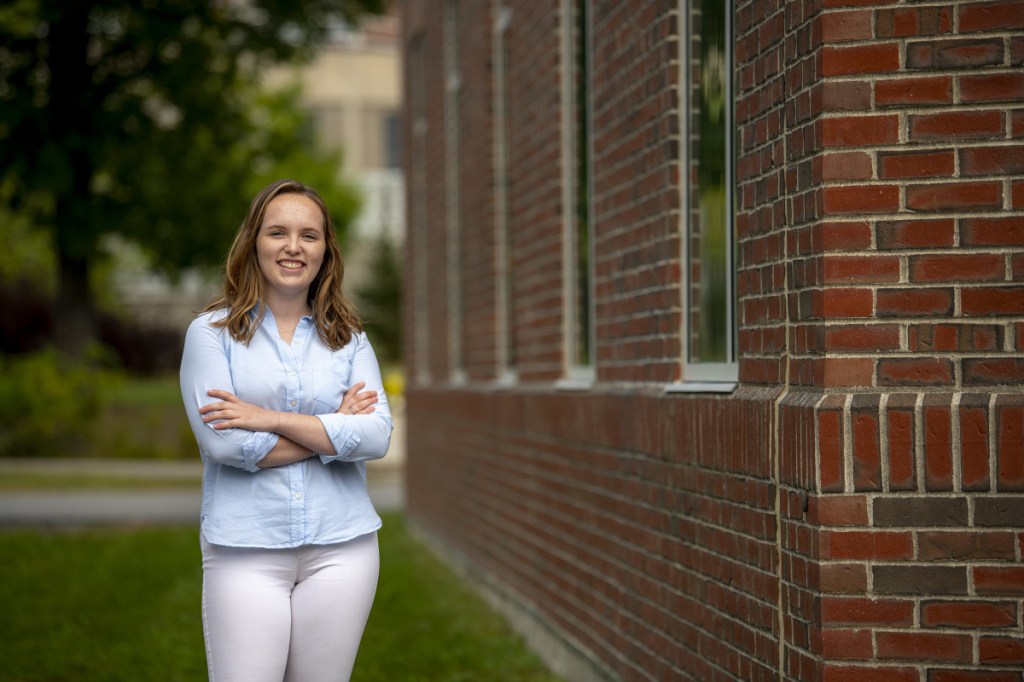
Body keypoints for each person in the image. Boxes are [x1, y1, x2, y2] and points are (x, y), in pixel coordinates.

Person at [179, 178, 392, 682]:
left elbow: (378, 436)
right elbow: (226, 443)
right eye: (278, 232)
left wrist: (268, 418)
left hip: (344, 550)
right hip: (246, 551)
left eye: (309, 235)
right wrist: (334, 432)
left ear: (325, 250)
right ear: (254, 241)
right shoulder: (211, 334)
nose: (293, 247)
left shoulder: (350, 339)